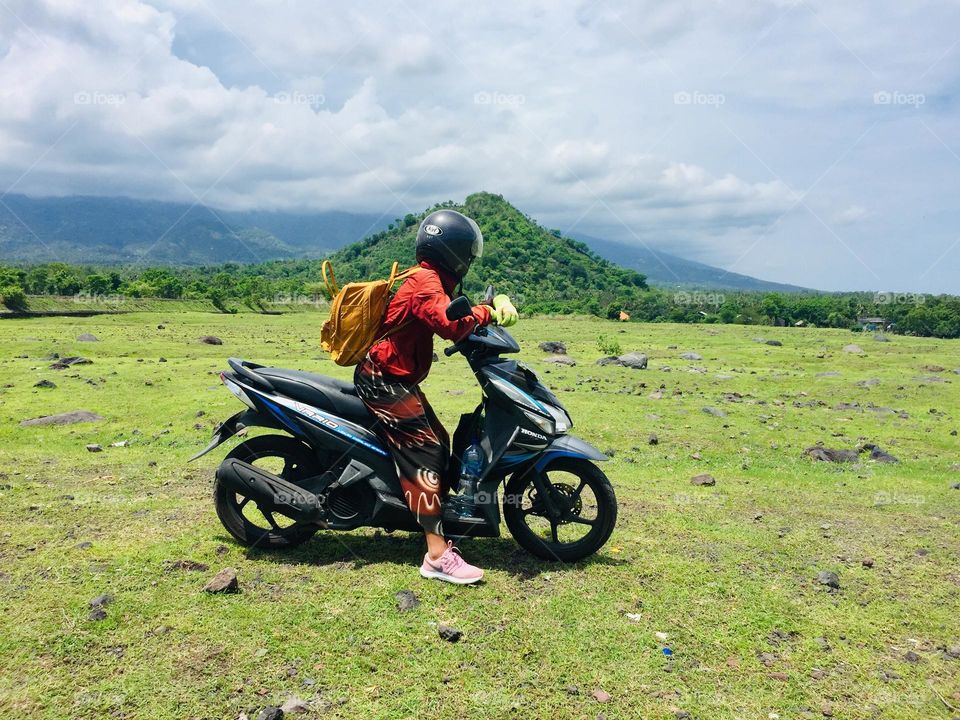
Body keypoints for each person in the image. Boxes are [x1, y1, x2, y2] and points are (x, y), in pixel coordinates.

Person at [353, 209, 518, 585]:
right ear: (454, 252)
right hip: (384, 380)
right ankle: (436, 554)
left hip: (396, 378)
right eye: (468, 253)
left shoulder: (432, 279)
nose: (470, 260)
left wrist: (491, 303)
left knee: (441, 442)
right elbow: (448, 322)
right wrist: (488, 314)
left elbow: (453, 309)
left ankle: (431, 516)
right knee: (426, 450)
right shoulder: (426, 281)